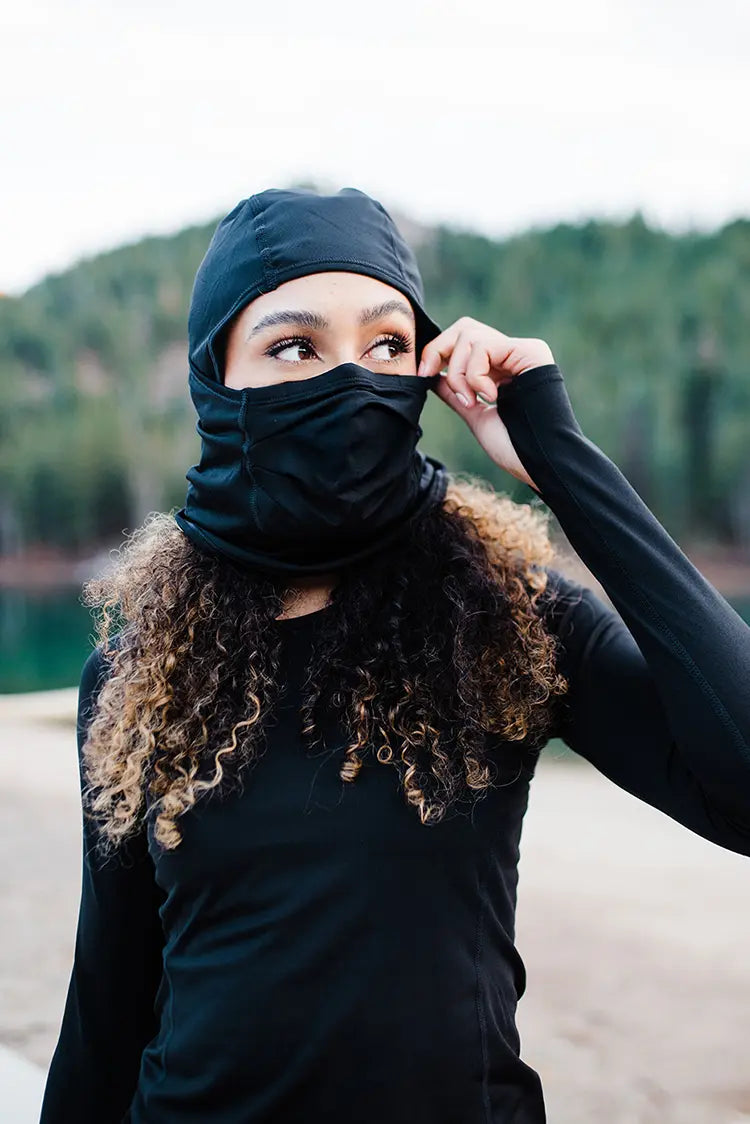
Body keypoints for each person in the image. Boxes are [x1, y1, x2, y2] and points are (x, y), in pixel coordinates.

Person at [40, 187, 750, 1124]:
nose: (353, 379)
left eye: (386, 345)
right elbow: (106, 1005)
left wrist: (561, 460)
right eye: (295, 346)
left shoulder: (505, 613)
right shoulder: (142, 666)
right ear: (217, 380)